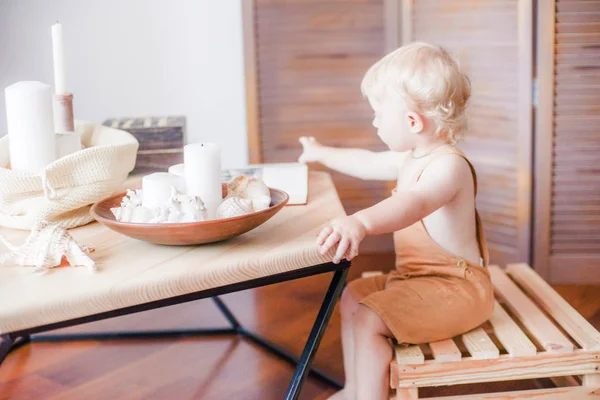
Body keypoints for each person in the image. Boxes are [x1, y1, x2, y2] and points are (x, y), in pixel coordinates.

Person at [298, 42, 494, 400]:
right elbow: (366, 162)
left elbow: (412, 203)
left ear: (412, 121)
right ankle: (355, 388)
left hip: (458, 290)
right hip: (418, 280)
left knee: (371, 319)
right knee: (354, 296)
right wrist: (321, 153)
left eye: (377, 113)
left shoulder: (447, 167)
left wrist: (360, 223)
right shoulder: (411, 158)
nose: (374, 121)